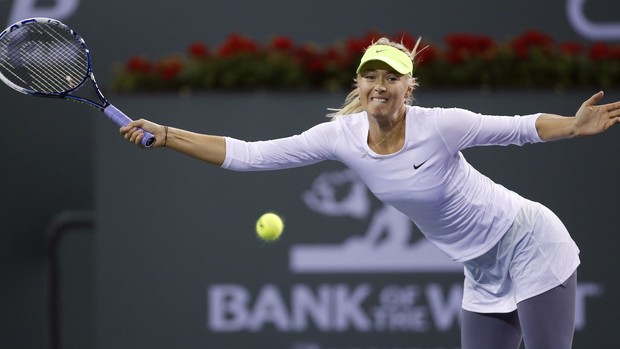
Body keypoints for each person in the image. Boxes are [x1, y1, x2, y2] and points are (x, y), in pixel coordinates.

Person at [120, 37, 620, 349]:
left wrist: (572, 128)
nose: (379, 86)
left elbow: (519, 127)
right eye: (370, 76)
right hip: (481, 269)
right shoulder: (340, 137)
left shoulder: (441, 126)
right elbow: (250, 155)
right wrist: (166, 134)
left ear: (409, 88)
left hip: (532, 243)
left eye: (391, 78)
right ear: (358, 85)